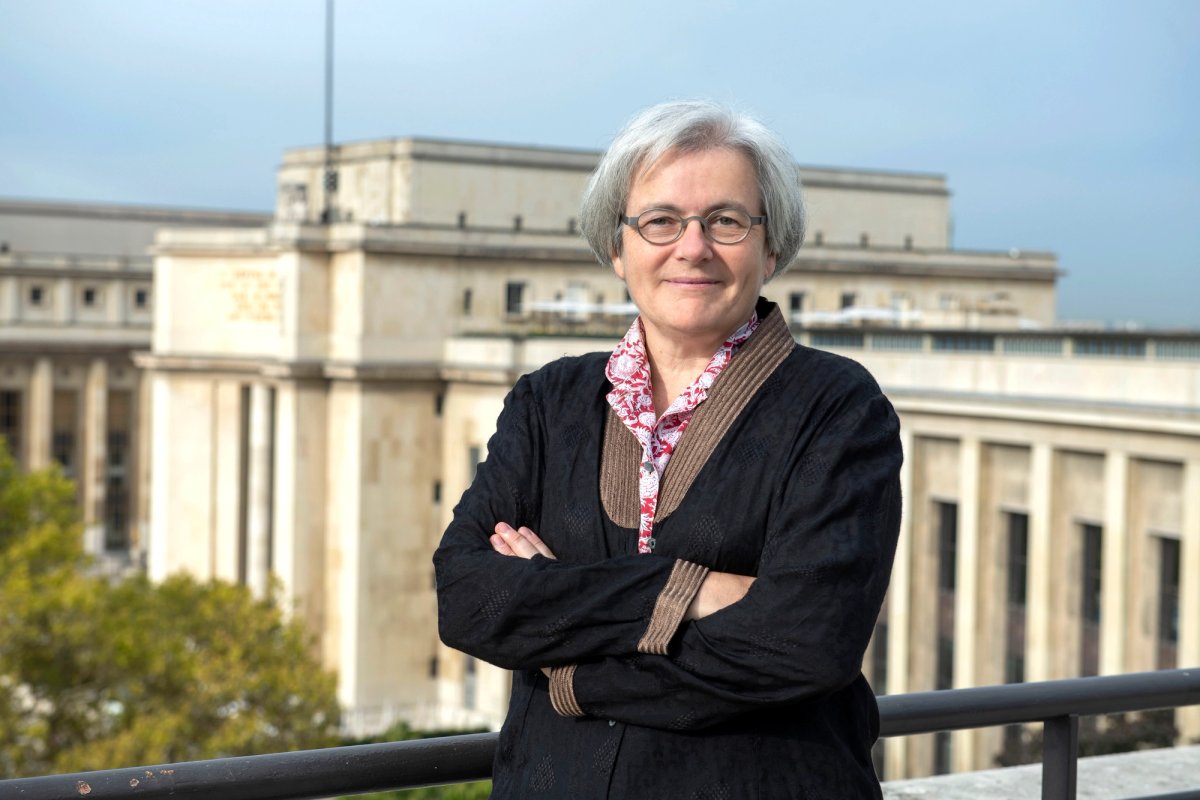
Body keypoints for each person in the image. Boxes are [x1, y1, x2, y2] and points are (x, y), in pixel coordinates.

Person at [433, 100, 902, 799]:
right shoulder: (548, 401)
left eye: (727, 220)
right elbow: (469, 601)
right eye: (660, 221)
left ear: (771, 248)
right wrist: (692, 590)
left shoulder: (838, 407)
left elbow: (804, 643)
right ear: (617, 249)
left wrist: (566, 667)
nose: (693, 247)